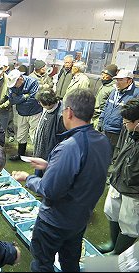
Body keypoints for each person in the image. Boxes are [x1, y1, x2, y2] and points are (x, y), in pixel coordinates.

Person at [12, 89, 112, 272]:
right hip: (80, 218)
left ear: (69, 112)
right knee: (70, 261)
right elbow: (84, 173)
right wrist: (50, 165)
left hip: (55, 221)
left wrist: (28, 178)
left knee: (43, 263)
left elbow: (50, 190)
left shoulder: (69, 147)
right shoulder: (102, 141)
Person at [99, 98, 139, 255]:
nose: (125, 125)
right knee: (112, 211)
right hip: (119, 180)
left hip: (134, 189)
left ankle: (118, 254)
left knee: (130, 223)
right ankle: (112, 243)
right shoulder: (131, 130)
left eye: (127, 122)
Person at [98, 69, 139, 153]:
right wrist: (101, 121)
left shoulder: (135, 94)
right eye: (116, 79)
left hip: (119, 133)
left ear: (129, 80)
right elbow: (106, 107)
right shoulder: (114, 91)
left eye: (121, 80)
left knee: (113, 157)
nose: (117, 82)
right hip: (105, 129)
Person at [7, 69, 42, 161]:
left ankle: (38, 155)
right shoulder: (12, 86)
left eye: (15, 84)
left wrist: (19, 99)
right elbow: (12, 100)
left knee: (35, 134)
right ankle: (20, 154)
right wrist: (25, 96)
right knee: (21, 134)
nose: (14, 87)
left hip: (35, 112)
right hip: (21, 113)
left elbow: (34, 99)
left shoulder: (33, 82)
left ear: (20, 79)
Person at [33, 90, 66, 176]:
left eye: (41, 103)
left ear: (49, 103)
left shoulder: (61, 114)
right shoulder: (46, 109)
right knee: (39, 165)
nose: (39, 104)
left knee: (48, 171)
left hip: (52, 148)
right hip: (41, 146)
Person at [92, 64, 118, 129]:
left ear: (111, 76)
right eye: (103, 74)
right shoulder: (104, 84)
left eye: (106, 74)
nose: (103, 76)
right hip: (94, 115)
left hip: (100, 116)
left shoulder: (113, 88)